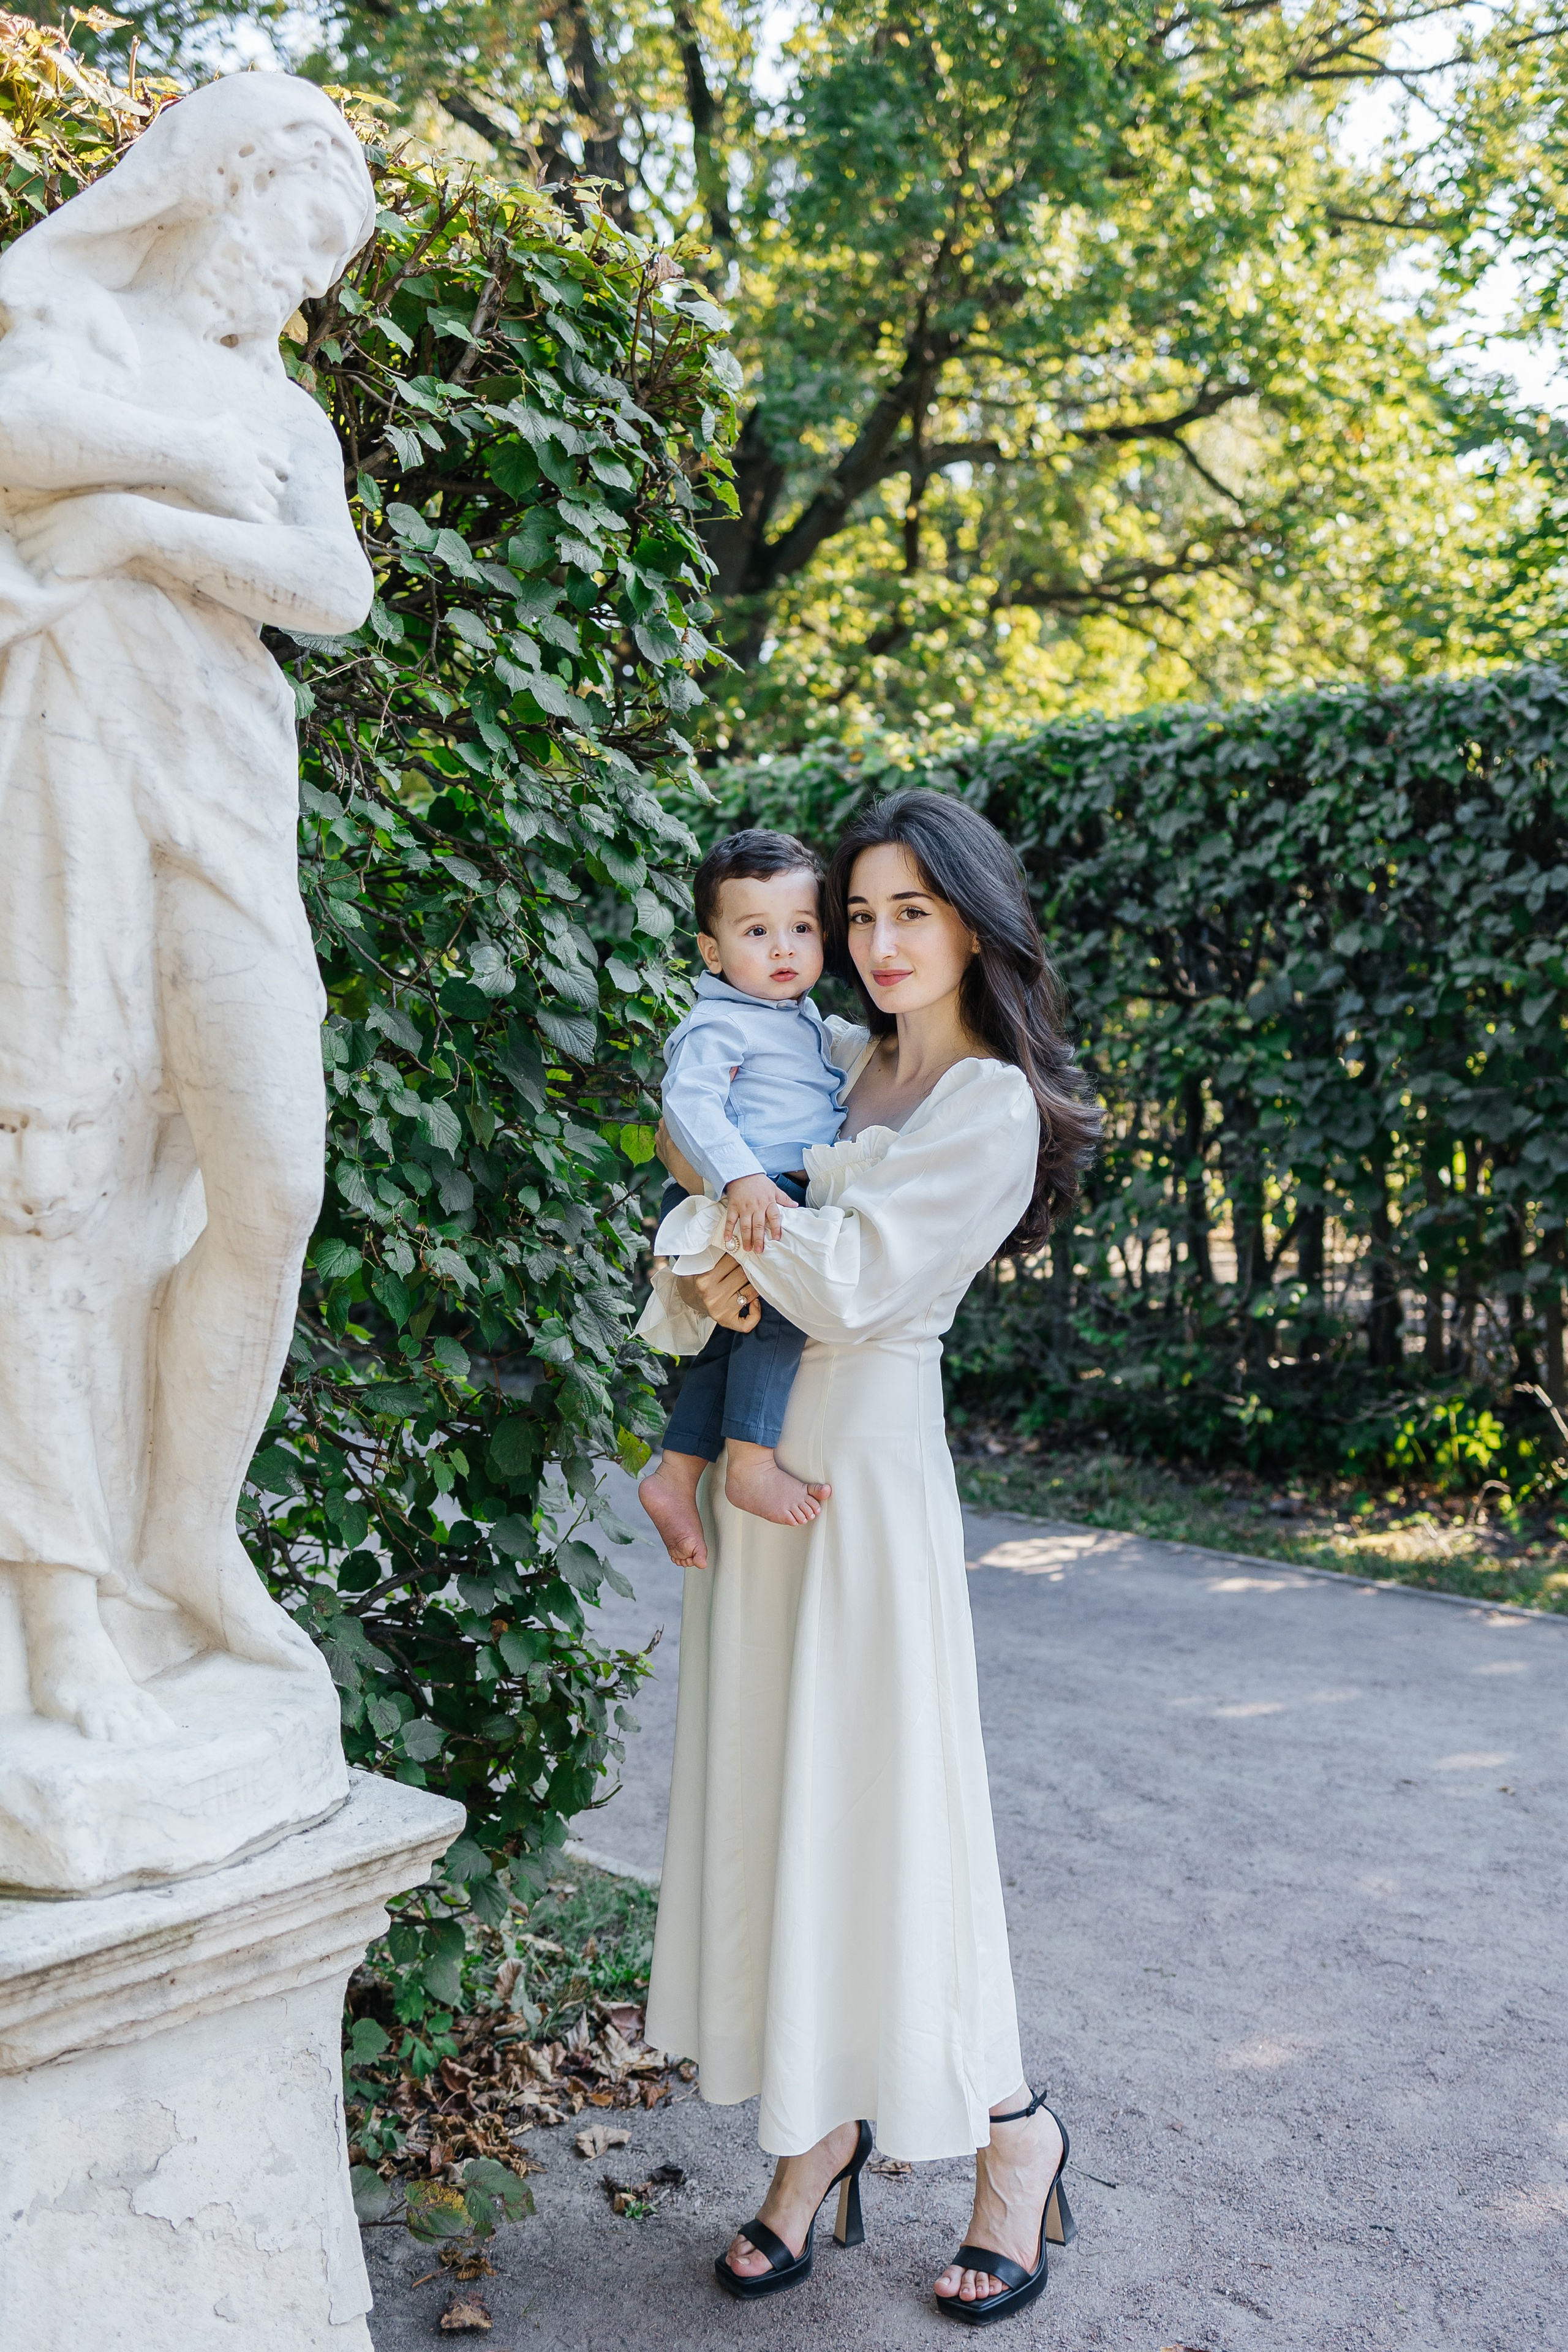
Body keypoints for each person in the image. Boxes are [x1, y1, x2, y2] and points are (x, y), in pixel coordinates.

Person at [638, 788, 1101, 2323]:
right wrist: (728, 1184)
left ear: (972, 918)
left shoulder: (983, 1104)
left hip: (865, 1483)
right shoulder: (836, 1063)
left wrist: (727, 1192)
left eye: (912, 910)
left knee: (894, 1819)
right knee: (787, 1806)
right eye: (858, 914)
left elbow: (833, 1283)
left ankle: (1010, 2139)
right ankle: (812, 2135)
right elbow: (695, 1142)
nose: (879, 942)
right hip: (767, 1488)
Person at [0, 74, 376, 1713]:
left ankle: (188, 1533)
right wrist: (177, 463)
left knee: (271, 1182)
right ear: (226, 179)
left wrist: (139, 519)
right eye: (290, 244)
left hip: (226, 790)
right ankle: (62, 1604)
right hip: (70, 780)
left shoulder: (284, 415)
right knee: (57, 1184)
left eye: (322, 277)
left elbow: (331, 589)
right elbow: (12, 436)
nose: (292, 290)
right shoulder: (63, 310)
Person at [638, 829, 846, 1569]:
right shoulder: (722, 1019)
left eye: (801, 928)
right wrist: (741, 1179)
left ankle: (676, 1473)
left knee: (734, 1337)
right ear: (712, 952)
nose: (783, 948)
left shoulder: (800, 1018)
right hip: (754, 1188)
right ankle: (750, 1465)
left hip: (763, 1186)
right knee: (781, 1313)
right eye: (757, 932)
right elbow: (687, 1105)